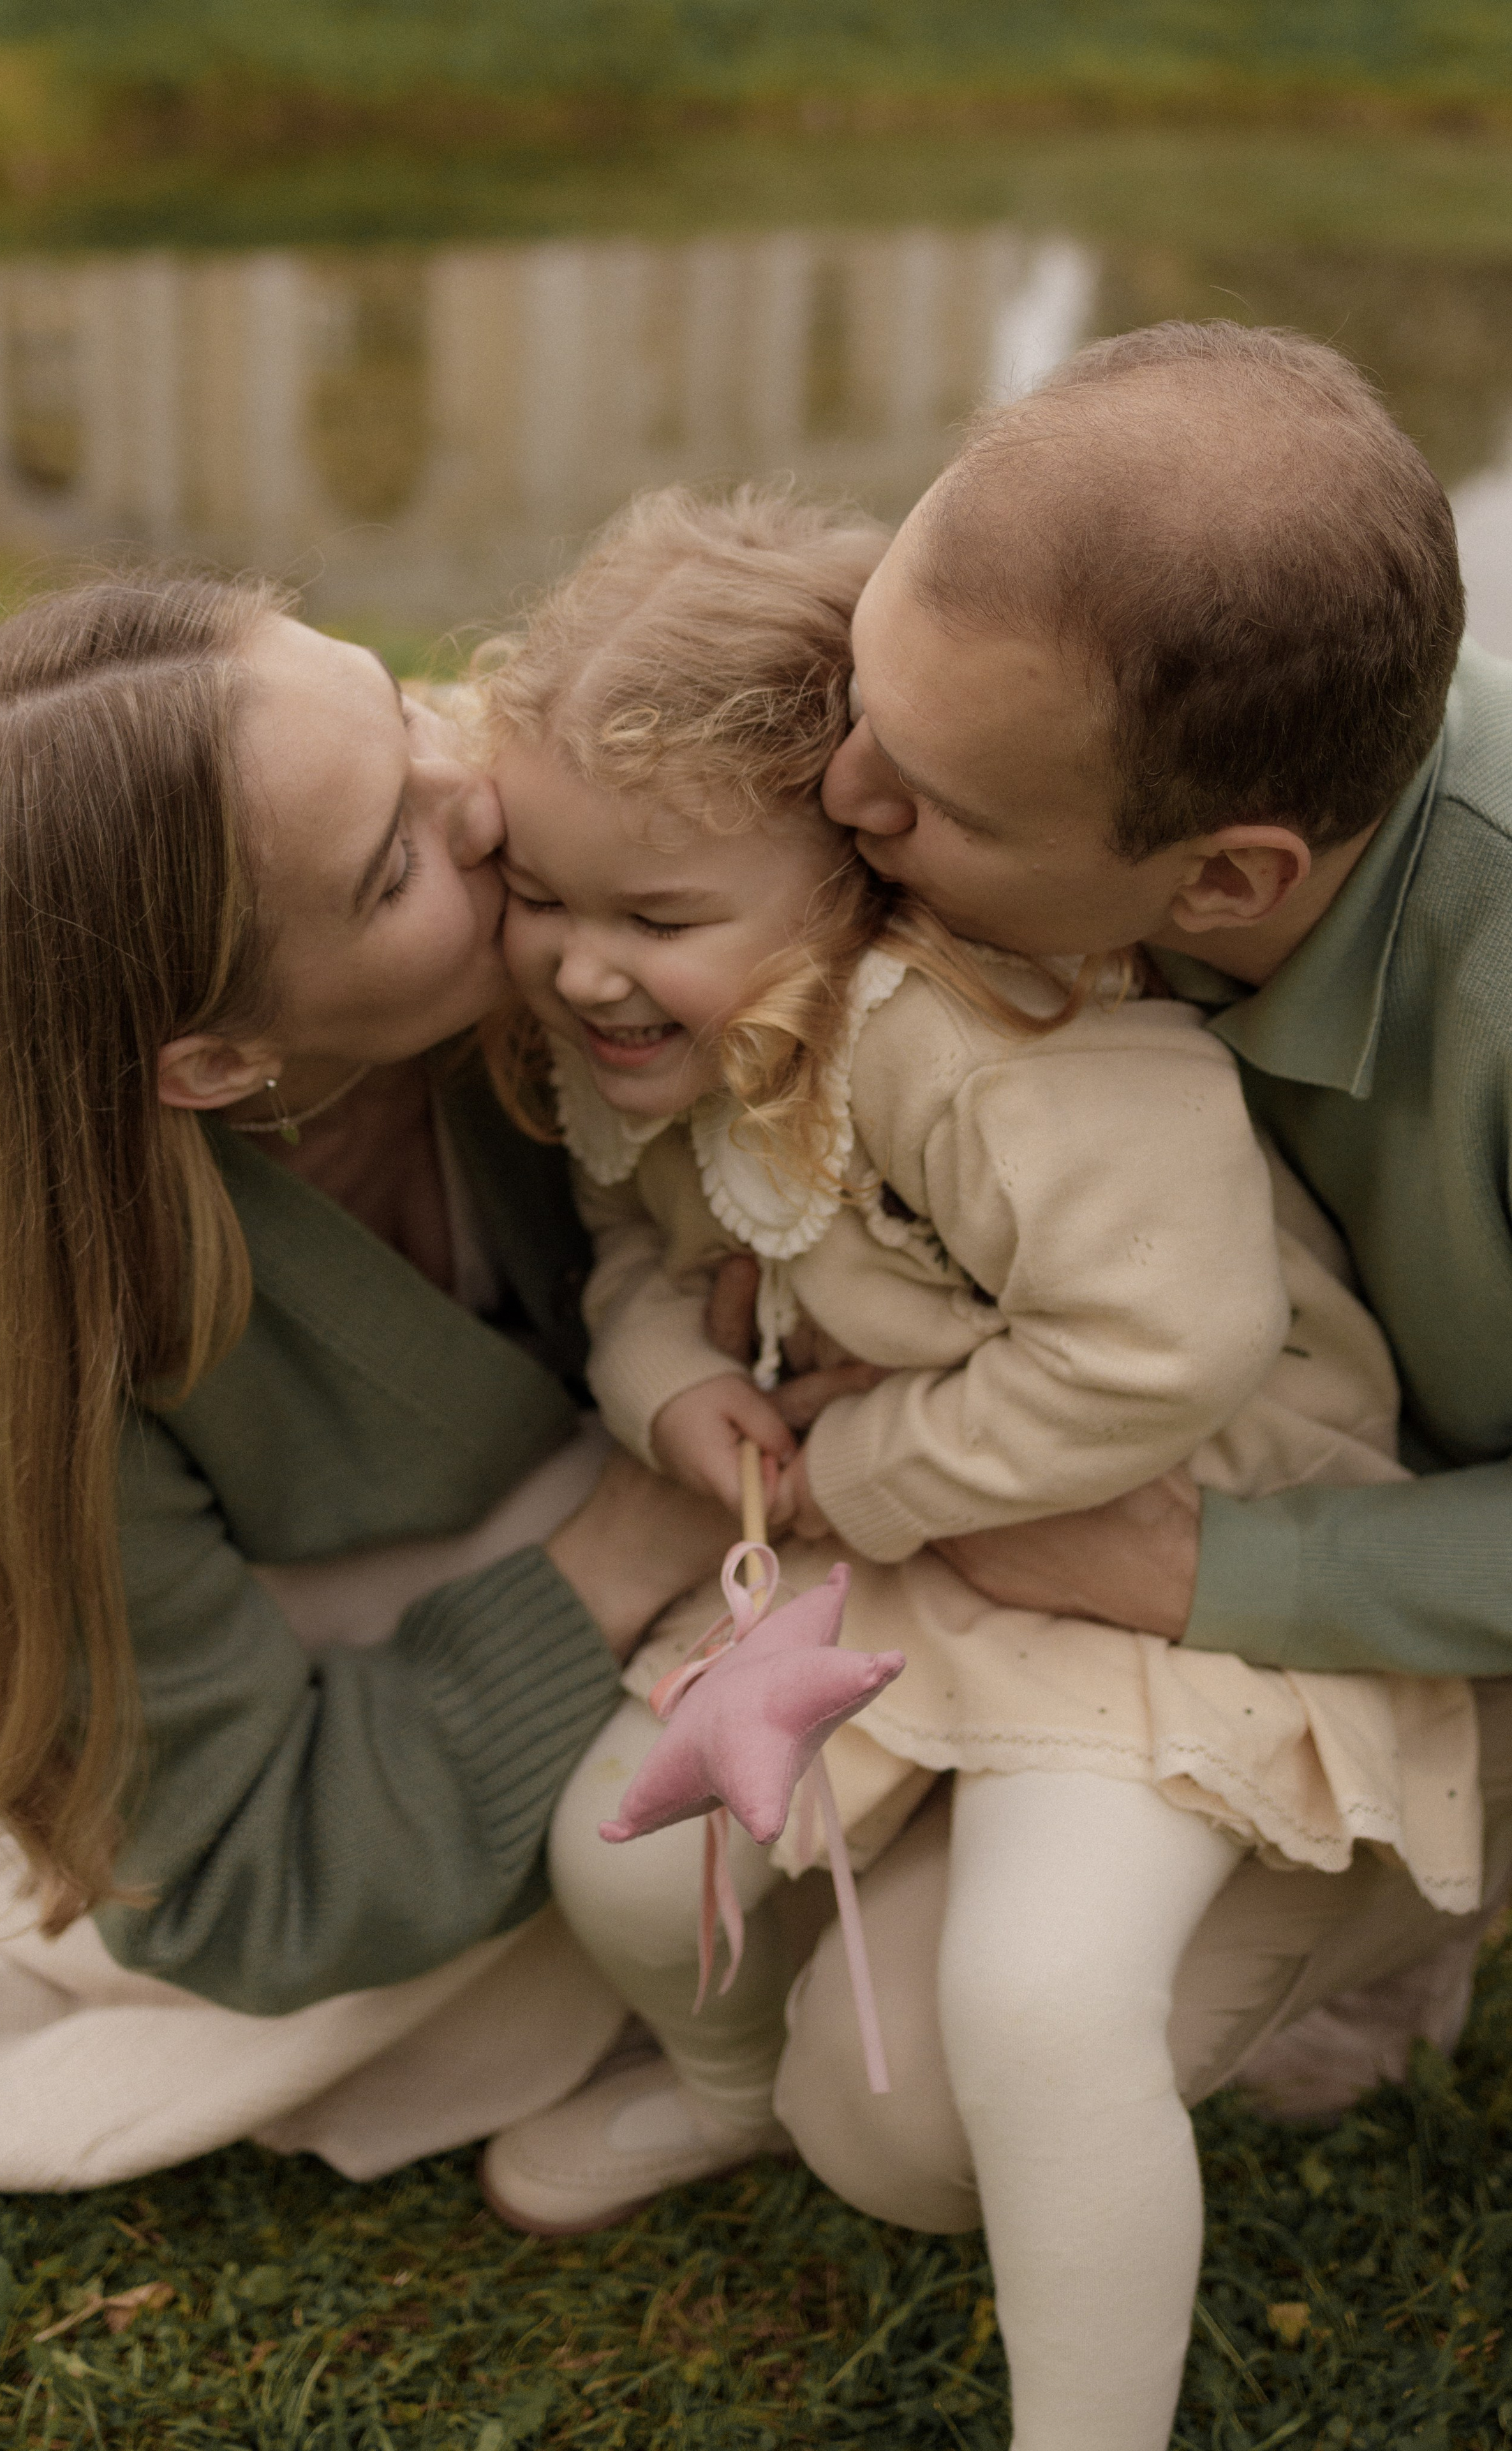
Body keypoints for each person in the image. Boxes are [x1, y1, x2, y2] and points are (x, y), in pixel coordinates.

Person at [457, 484, 1481, 2451]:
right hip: (923, 1528)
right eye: (543, 895)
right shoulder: (665, 1028)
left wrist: (865, 1470)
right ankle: (730, 2094)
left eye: (653, 918)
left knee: (1039, 1998)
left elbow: (1169, 1342)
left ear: (853, 881)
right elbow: (638, 1246)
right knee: (629, 1863)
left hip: (1176, 1548)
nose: (581, 971)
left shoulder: (975, 1037)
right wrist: (670, 1383)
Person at [764, 320, 1512, 2254]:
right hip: (1130, 1507)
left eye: (938, 799)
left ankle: (1439, 1867)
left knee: (906, 2121)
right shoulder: (1070, 741)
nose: (839, 791)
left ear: (1228, 884)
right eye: (861, 697)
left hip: (1411, 1571)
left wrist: (1220, 1573)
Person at [0, 572, 737, 2192]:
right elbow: (232, 1870)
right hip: (379, 1773)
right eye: (393, 865)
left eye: (398, 705)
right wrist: (620, 1550)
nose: (476, 792)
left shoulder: (582, 868)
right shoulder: (5, 1336)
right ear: (216, 1061)